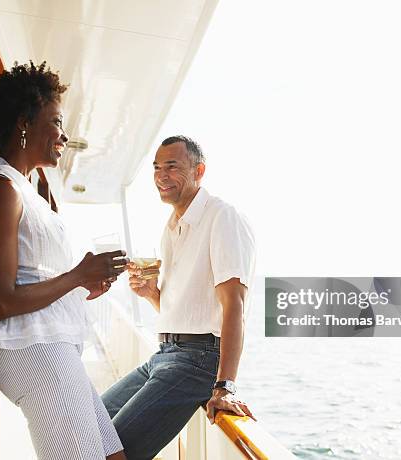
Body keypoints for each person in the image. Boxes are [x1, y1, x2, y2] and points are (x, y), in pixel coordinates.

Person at [0, 61, 127, 460]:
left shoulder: (28, 189)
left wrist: (83, 284)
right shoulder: (2, 188)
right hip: (34, 350)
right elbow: (3, 300)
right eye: (57, 122)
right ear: (24, 124)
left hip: (56, 345)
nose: (64, 135)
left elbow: (38, 278)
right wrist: (77, 274)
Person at [101, 135, 256, 459]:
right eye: (157, 168)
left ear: (199, 170)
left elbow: (234, 306)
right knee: (90, 424)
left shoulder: (221, 217)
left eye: (172, 166)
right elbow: (188, 311)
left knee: (111, 450)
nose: (161, 175)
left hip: (197, 361)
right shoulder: (172, 227)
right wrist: (152, 294)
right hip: (165, 355)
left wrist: (224, 386)